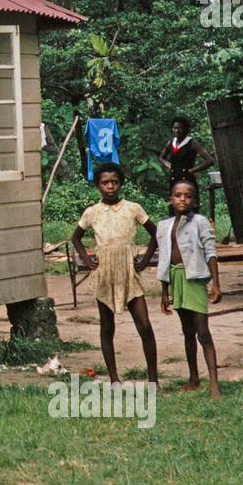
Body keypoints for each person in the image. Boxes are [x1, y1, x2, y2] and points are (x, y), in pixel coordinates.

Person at [70, 162, 159, 384]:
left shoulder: (133, 208)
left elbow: (156, 233)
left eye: (114, 182)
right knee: (107, 327)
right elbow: (75, 238)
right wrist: (88, 258)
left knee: (145, 326)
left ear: (121, 184)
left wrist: (145, 259)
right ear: (98, 185)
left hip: (129, 271)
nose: (110, 186)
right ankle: (114, 379)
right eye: (105, 183)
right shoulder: (92, 212)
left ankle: (153, 379)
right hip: (105, 273)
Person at [141, 179, 223, 397]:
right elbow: (164, 260)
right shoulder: (164, 226)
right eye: (178, 195)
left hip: (195, 279)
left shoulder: (200, 222)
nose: (183, 199)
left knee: (202, 332)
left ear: (194, 201)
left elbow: (210, 252)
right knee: (188, 331)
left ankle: (214, 382)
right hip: (175, 278)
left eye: (188, 196)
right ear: (171, 199)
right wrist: (164, 294)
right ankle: (193, 378)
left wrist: (216, 283)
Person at [158, 117, 214, 194]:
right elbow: (161, 157)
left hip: (188, 180)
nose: (177, 131)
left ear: (186, 129)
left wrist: (192, 170)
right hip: (174, 179)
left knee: (188, 202)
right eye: (175, 128)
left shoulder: (192, 143)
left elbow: (210, 160)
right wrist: (168, 164)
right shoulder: (171, 143)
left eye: (180, 128)